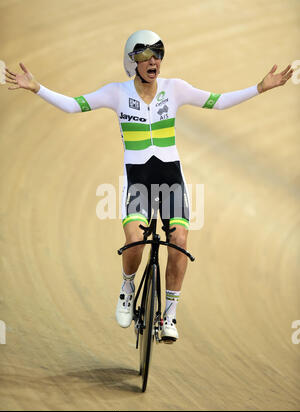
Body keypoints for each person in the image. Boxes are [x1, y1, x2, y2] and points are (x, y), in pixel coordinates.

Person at [5, 30, 293, 342]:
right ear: (132, 63)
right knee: (135, 241)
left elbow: (218, 102)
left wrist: (260, 88)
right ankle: (127, 286)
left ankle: (168, 313)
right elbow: (75, 105)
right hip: (138, 180)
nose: (153, 60)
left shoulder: (176, 88)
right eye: (145, 55)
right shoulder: (116, 93)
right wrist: (37, 88)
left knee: (180, 240)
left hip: (171, 178)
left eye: (158, 53)